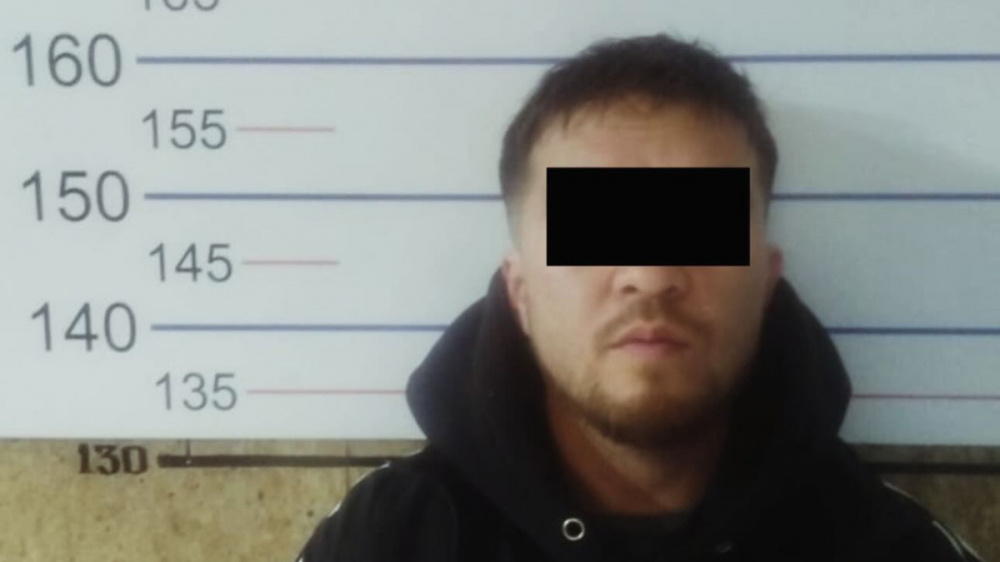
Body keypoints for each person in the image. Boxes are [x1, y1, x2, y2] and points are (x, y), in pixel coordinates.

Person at [294, 33, 983, 562]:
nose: (651, 272)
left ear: (765, 280)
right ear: (521, 290)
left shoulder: (891, 547)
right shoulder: (388, 541)